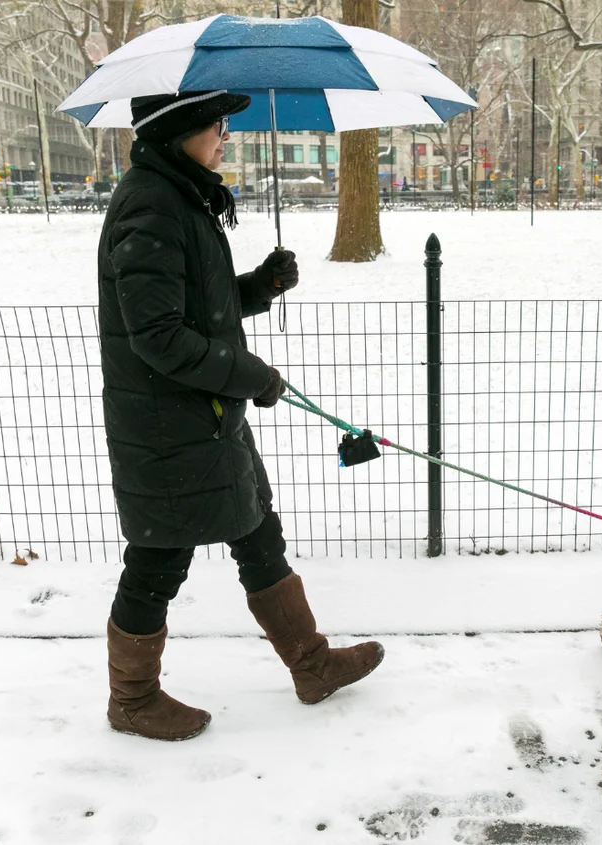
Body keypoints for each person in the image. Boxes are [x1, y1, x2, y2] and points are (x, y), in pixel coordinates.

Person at [96, 90, 384, 741]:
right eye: (216, 126)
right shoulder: (150, 206)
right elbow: (159, 335)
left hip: (204, 416)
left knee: (258, 530)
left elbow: (194, 302)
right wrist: (251, 375)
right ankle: (132, 699)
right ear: (180, 132)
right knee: (158, 560)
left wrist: (260, 285)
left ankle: (312, 664)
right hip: (167, 427)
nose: (225, 136)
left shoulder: (179, 196)